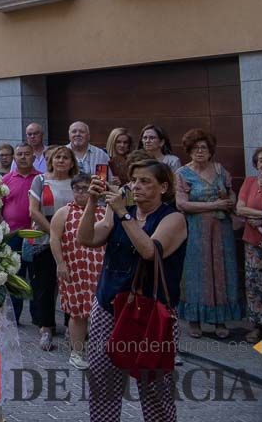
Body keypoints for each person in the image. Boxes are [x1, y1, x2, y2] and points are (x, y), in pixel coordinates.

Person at [78, 159, 186, 422]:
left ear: (163, 187)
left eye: (145, 181)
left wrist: (124, 214)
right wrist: (93, 202)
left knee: (154, 388)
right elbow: (87, 238)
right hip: (108, 306)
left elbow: (150, 251)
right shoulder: (117, 212)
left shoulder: (174, 218)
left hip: (151, 312)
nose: (136, 186)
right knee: (103, 382)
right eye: (134, 180)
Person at [175, 128, 243, 338]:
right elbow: (182, 204)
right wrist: (214, 204)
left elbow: (231, 196)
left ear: (210, 150)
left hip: (221, 231)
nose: (200, 151)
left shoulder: (220, 170)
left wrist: (229, 198)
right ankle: (195, 321)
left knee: (222, 271)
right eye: (195, 148)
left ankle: (220, 320)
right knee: (197, 273)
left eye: (204, 147)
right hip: (196, 230)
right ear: (189, 150)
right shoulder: (182, 173)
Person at [50, 173, 106, 369]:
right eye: (78, 189)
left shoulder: (103, 212)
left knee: (101, 313)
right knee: (78, 313)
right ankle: (77, 352)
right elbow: (54, 238)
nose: (81, 192)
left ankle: (100, 352)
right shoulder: (64, 212)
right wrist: (60, 263)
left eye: (86, 188)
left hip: (99, 270)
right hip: (74, 270)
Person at [28, 145, 78, 351]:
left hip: (74, 239)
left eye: (66, 158)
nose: (61, 161)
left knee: (72, 284)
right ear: (51, 160)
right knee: (45, 285)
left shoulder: (78, 182)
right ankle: (46, 328)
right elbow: (34, 211)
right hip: (44, 238)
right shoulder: (40, 180)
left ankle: (72, 328)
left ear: (72, 162)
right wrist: (54, 234)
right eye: (58, 157)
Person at [1, 143, 40, 326]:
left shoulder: (41, 178)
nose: (23, 157)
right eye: (19, 154)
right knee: (15, 278)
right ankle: (14, 318)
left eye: (27, 154)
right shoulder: (6, 180)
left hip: (36, 234)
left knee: (36, 278)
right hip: (13, 235)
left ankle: (39, 318)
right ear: (14, 158)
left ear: (34, 156)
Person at [236, 146, 262, 346]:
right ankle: (257, 326)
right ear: (256, 164)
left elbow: (248, 211)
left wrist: (261, 218)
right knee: (254, 283)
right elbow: (239, 208)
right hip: (253, 242)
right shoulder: (249, 182)